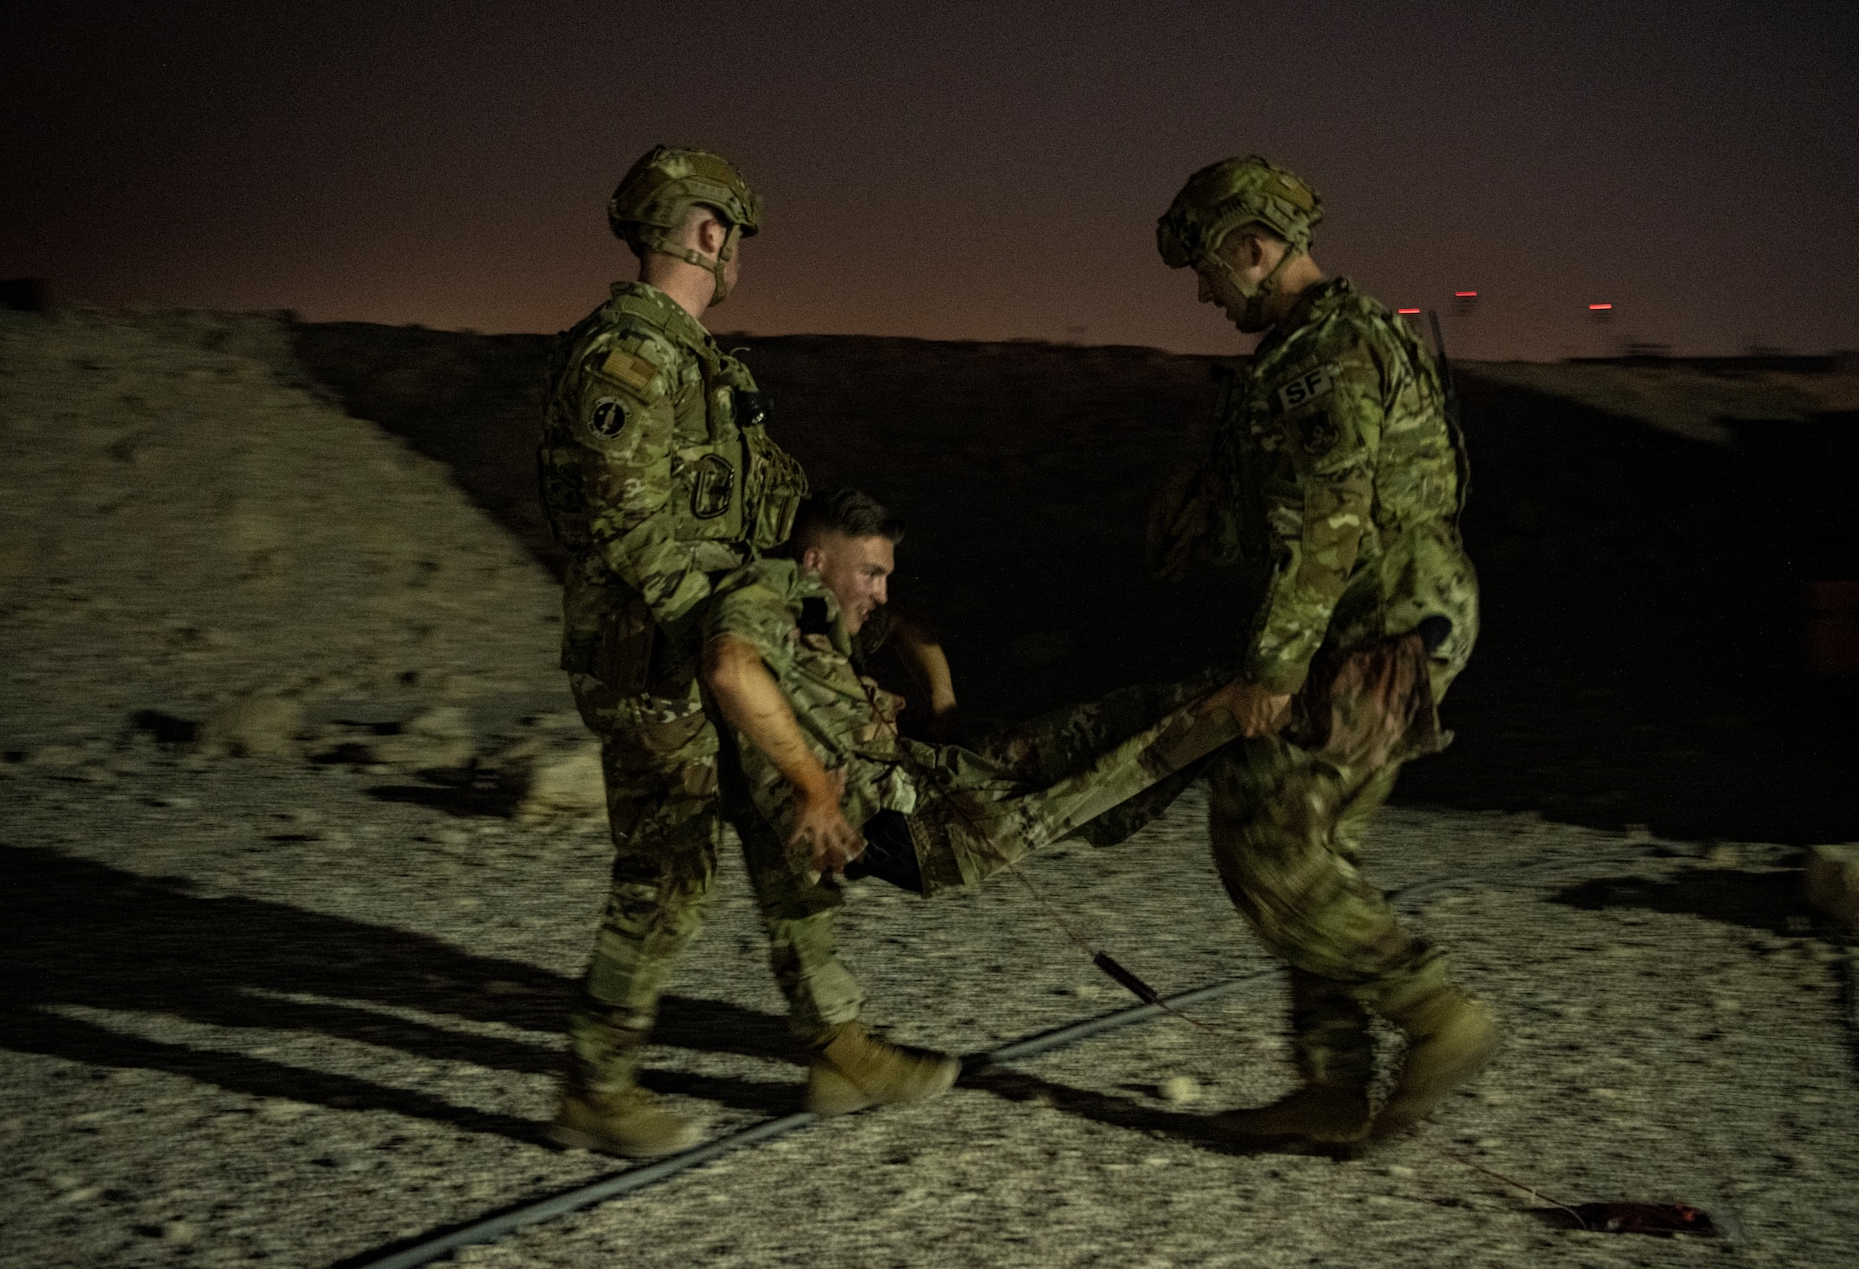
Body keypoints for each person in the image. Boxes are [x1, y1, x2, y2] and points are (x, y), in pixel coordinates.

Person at [1148, 155, 1489, 1151]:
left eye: (1209, 268)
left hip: (1368, 629)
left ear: (1254, 248)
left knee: (1261, 836)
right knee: (1315, 849)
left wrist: (1273, 668)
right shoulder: (1344, 337)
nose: (1204, 292)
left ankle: (1431, 1010)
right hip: (1401, 620)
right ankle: (1332, 1087)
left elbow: (1325, 524)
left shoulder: (1319, 356)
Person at [703, 488, 1237, 1114]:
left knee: (1085, 738)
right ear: (816, 560)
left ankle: (837, 1061)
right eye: (870, 574)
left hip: (920, 777)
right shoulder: (762, 595)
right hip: (909, 828)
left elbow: (903, 625)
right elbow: (729, 669)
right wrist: (813, 787)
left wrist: (944, 703)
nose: (879, 591)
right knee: (1116, 763)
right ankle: (1247, 698)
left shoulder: (818, 607)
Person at [537, 145, 815, 1157]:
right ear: (707, 231)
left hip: (689, 646)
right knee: (667, 867)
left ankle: (832, 1039)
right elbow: (622, 517)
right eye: (730, 233)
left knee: (734, 841)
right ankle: (595, 1083)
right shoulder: (631, 355)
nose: (735, 251)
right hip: (652, 653)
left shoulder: (696, 361)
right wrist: (714, 627)